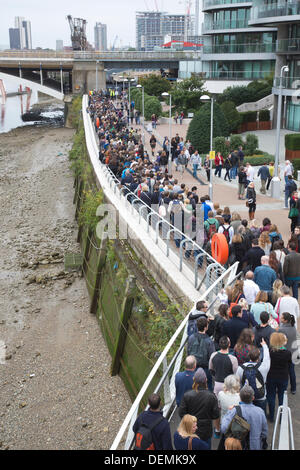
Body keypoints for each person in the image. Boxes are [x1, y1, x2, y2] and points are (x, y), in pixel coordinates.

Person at [178, 368, 220, 449]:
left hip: (190, 429)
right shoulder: (211, 396)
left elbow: (181, 413)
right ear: (206, 380)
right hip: (206, 431)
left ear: (194, 380)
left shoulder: (187, 395)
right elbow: (216, 415)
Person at [220, 384, 268, 450]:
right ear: (253, 398)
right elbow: (264, 433)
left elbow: (223, 428)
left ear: (240, 397)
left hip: (238, 446)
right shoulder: (260, 412)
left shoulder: (234, 411)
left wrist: (228, 412)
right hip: (255, 446)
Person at [236, 340, 270, 414]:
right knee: (260, 415)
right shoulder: (264, 367)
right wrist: (265, 346)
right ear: (259, 357)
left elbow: (237, 383)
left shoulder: (241, 368)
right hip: (260, 396)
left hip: (246, 396)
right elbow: (267, 358)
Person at [266, 332, 292, 422]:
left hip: (271, 377)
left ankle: (272, 416)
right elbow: (289, 365)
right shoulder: (288, 353)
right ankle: (281, 417)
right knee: (282, 398)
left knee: (271, 397)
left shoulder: (270, 352)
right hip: (283, 377)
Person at [187, 317, 215, 391]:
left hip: (193, 366)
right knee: (208, 387)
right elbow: (212, 356)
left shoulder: (191, 338)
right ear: (206, 327)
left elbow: (188, 351)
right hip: (205, 368)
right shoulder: (209, 341)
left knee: (193, 386)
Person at [278, 312, 298, 395]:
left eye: (282, 318)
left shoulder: (282, 329)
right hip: (293, 352)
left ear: (285, 320)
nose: (280, 318)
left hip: (285, 353)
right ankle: (293, 388)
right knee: (292, 371)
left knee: (283, 371)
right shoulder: (293, 327)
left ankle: (283, 388)